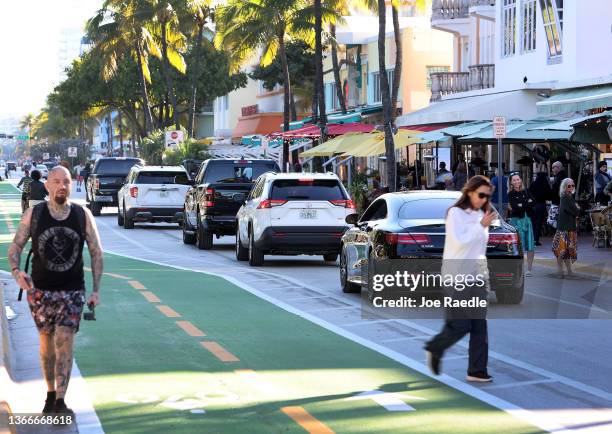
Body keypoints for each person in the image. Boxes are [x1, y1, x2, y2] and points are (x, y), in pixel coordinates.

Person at [7, 166, 103, 417]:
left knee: (64, 340)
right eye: (56, 181)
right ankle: (50, 394)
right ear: (47, 186)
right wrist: (17, 271)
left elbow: (96, 252)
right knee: (46, 344)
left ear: (72, 185)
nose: (62, 186)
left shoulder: (82, 215)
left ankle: (60, 400)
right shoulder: (34, 214)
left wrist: (95, 290)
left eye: (66, 182)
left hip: (72, 291)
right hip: (39, 290)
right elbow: (16, 245)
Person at [425, 175, 497, 383]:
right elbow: (460, 242)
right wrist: (481, 225)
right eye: (481, 194)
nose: (484, 199)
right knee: (461, 325)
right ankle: (434, 348)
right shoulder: (456, 213)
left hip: (477, 276)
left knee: (479, 326)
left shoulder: (481, 215)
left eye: (487, 196)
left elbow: (479, 248)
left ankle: (477, 370)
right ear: (470, 192)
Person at [508, 173, 536, 276]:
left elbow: (533, 202)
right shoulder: (510, 194)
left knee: (530, 245)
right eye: (514, 180)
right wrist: (526, 202)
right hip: (517, 221)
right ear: (511, 182)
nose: (517, 181)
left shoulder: (526, 191)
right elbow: (516, 207)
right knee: (519, 246)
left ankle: (529, 269)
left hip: (527, 221)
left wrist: (522, 204)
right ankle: (519, 269)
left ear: (521, 180)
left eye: (518, 179)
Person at [552, 178, 580, 278]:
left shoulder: (568, 197)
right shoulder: (565, 197)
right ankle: (560, 271)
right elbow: (575, 211)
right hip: (565, 228)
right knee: (562, 251)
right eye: (569, 186)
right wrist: (577, 209)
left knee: (567, 251)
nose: (571, 187)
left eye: (573, 185)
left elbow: (574, 211)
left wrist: (576, 210)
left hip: (568, 228)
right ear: (564, 187)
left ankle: (568, 271)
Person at [529, 168, 553, 246]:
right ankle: (536, 240)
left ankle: (531, 240)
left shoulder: (533, 184)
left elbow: (528, 194)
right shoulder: (545, 185)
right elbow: (549, 195)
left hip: (533, 206)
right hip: (541, 205)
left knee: (533, 223)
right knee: (539, 223)